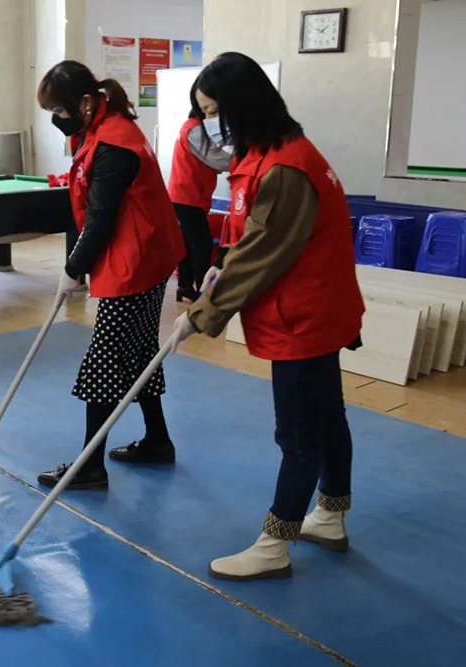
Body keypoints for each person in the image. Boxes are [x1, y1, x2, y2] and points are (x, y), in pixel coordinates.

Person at [171, 52, 364, 581]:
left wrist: (202, 314)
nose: (209, 123)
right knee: (326, 417)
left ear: (241, 105)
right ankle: (330, 515)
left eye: (213, 111)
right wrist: (220, 263)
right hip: (312, 308)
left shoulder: (285, 167)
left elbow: (262, 254)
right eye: (203, 112)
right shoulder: (267, 152)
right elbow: (251, 234)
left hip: (304, 316)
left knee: (298, 435)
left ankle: (274, 546)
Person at [35, 61, 185, 491]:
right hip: (148, 256)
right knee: (140, 352)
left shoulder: (114, 144)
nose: (57, 119)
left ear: (84, 102)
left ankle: (89, 466)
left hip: (135, 263)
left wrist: (72, 269)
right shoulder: (107, 128)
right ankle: (158, 441)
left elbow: (101, 219)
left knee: (103, 362)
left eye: (59, 110)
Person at [168, 95, 231, 302]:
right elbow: (219, 160)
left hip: (186, 196)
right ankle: (204, 292)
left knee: (188, 244)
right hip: (187, 197)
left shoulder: (193, 128)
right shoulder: (194, 130)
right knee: (202, 245)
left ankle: (184, 287)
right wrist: (249, 158)